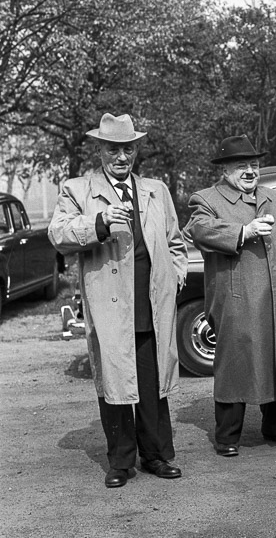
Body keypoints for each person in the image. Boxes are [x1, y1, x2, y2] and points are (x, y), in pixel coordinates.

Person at [48, 113, 188, 488]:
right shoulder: (78, 190)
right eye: (113, 150)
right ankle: (121, 462)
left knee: (151, 380)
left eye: (127, 149)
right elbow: (58, 233)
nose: (121, 157)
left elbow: (175, 242)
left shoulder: (156, 189)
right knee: (115, 383)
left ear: (136, 150)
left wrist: (177, 272)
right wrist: (100, 221)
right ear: (100, 150)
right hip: (111, 304)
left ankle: (157, 456)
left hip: (152, 301)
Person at [184, 135, 276, 457]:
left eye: (254, 165)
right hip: (237, 296)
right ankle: (228, 436)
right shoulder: (205, 199)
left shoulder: (272, 197)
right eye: (241, 166)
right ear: (225, 170)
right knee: (236, 360)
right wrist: (243, 232)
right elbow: (197, 230)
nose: (250, 171)